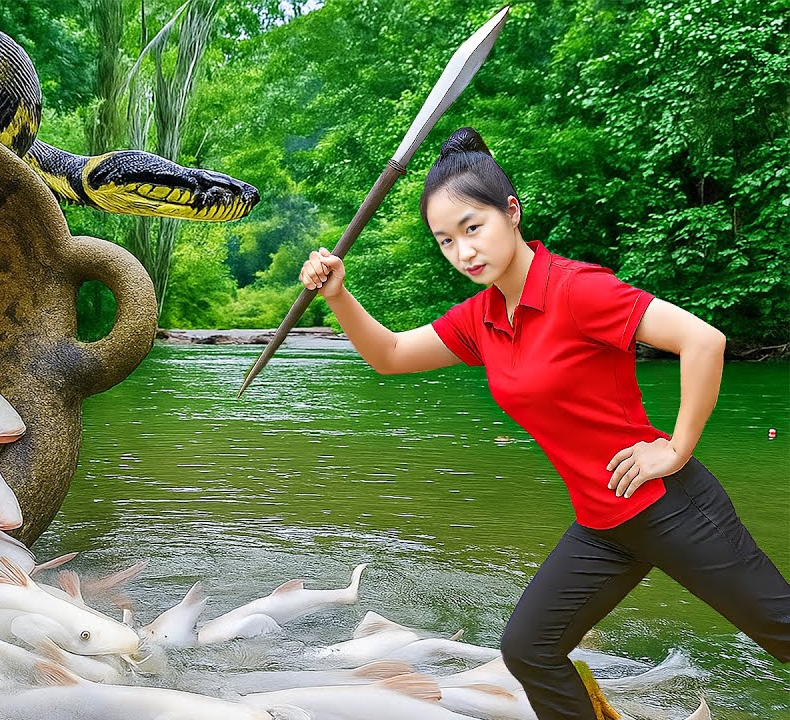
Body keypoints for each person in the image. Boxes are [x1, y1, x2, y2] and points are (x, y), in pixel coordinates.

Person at [299, 127, 790, 719]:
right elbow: (391, 356)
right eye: (446, 242)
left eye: (472, 228)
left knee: (783, 636)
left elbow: (703, 340)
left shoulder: (575, 290)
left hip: (669, 506)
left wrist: (677, 448)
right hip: (604, 521)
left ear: (511, 212)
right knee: (530, 650)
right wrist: (339, 296)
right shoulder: (483, 316)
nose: (463, 252)